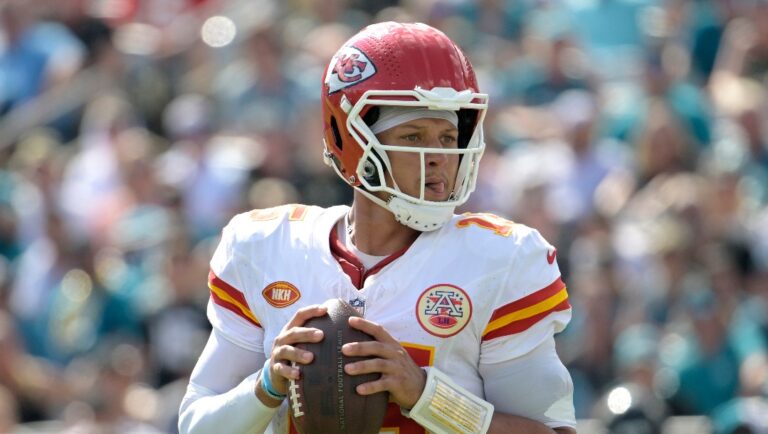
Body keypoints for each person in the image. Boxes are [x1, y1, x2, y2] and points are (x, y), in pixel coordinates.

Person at [179, 21, 576, 434]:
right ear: (351, 138)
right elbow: (196, 424)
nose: (440, 156)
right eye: (415, 135)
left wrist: (426, 396)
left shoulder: (503, 260)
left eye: (447, 136)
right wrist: (267, 386)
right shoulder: (263, 246)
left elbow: (553, 430)